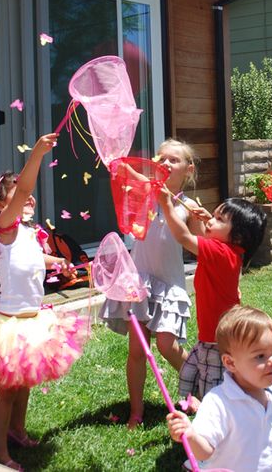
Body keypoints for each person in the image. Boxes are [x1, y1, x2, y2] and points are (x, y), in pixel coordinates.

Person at [0, 133, 89, 470]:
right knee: (7, 389)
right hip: (10, 324)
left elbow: (34, 259)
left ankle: (17, 430)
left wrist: (56, 262)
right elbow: (25, 190)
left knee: (25, 382)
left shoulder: (30, 234)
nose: (27, 196)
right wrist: (36, 155)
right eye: (17, 192)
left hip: (34, 319)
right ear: (3, 204)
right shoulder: (4, 227)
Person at [100, 139, 205, 428]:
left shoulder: (188, 205)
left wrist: (199, 221)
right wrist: (115, 159)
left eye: (175, 160)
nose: (167, 164)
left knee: (167, 344)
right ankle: (136, 410)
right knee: (137, 350)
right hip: (140, 281)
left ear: (188, 169)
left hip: (170, 283)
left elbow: (201, 246)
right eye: (163, 159)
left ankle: (198, 386)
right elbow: (124, 173)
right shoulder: (144, 194)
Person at [157, 188, 266, 411]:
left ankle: (218, 429)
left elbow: (184, 237)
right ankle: (205, 408)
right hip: (209, 338)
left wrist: (167, 205)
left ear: (236, 236)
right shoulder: (228, 250)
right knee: (190, 375)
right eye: (213, 215)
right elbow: (205, 238)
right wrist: (208, 220)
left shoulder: (220, 252)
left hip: (217, 343)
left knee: (214, 394)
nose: (211, 220)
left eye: (219, 219)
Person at [167, 305, 272, 472]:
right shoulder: (219, 403)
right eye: (260, 356)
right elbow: (204, 452)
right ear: (230, 363)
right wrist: (191, 436)